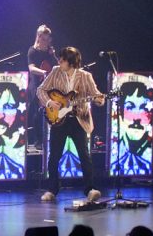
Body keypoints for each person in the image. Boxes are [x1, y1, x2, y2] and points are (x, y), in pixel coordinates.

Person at [38, 46, 104, 203]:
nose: (59, 61)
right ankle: (52, 190)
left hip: (78, 119)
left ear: (72, 62)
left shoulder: (85, 76)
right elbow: (40, 90)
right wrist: (49, 102)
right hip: (59, 119)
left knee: (84, 155)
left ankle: (90, 189)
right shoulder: (55, 71)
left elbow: (97, 96)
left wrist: (99, 99)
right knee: (54, 156)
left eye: (63, 59)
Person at [27, 25, 57, 148]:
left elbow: (58, 66)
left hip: (49, 86)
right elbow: (31, 68)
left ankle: (50, 139)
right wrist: (43, 72)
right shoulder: (32, 51)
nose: (47, 42)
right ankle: (38, 140)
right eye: (44, 39)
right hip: (37, 85)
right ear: (38, 38)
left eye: (48, 39)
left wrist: (54, 55)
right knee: (37, 113)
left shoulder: (49, 52)